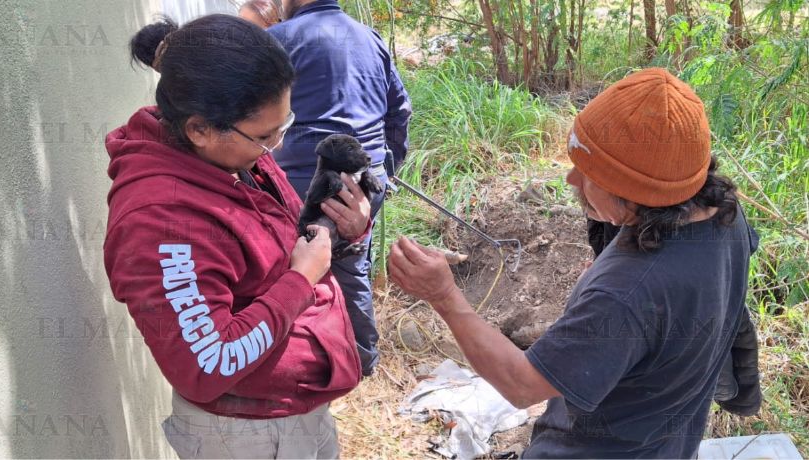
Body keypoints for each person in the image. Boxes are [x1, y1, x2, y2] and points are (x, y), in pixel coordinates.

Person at [388, 68, 760, 458]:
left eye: (589, 174)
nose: (570, 180)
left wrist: (444, 296)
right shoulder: (721, 215)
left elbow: (521, 386)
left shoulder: (627, 294)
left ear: (633, 191)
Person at [104, 15, 371, 458]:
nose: (277, 146)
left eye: (283, 125)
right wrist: (301, 280)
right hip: (247, 434)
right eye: (266, 136)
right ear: (199, 129)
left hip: (292, 412)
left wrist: (344, 231)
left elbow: (282, 240)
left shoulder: (230, 154)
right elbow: (209, 362)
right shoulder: (162, 224)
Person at [268, 0, 412, 376]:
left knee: (293, 271)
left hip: (302, 184)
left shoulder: (276, 39)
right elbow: (400, 112)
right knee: (351, 266)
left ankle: (306, 365)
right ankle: (362, 362)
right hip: (365, 181)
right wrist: (384, 172)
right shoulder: (370, 38)